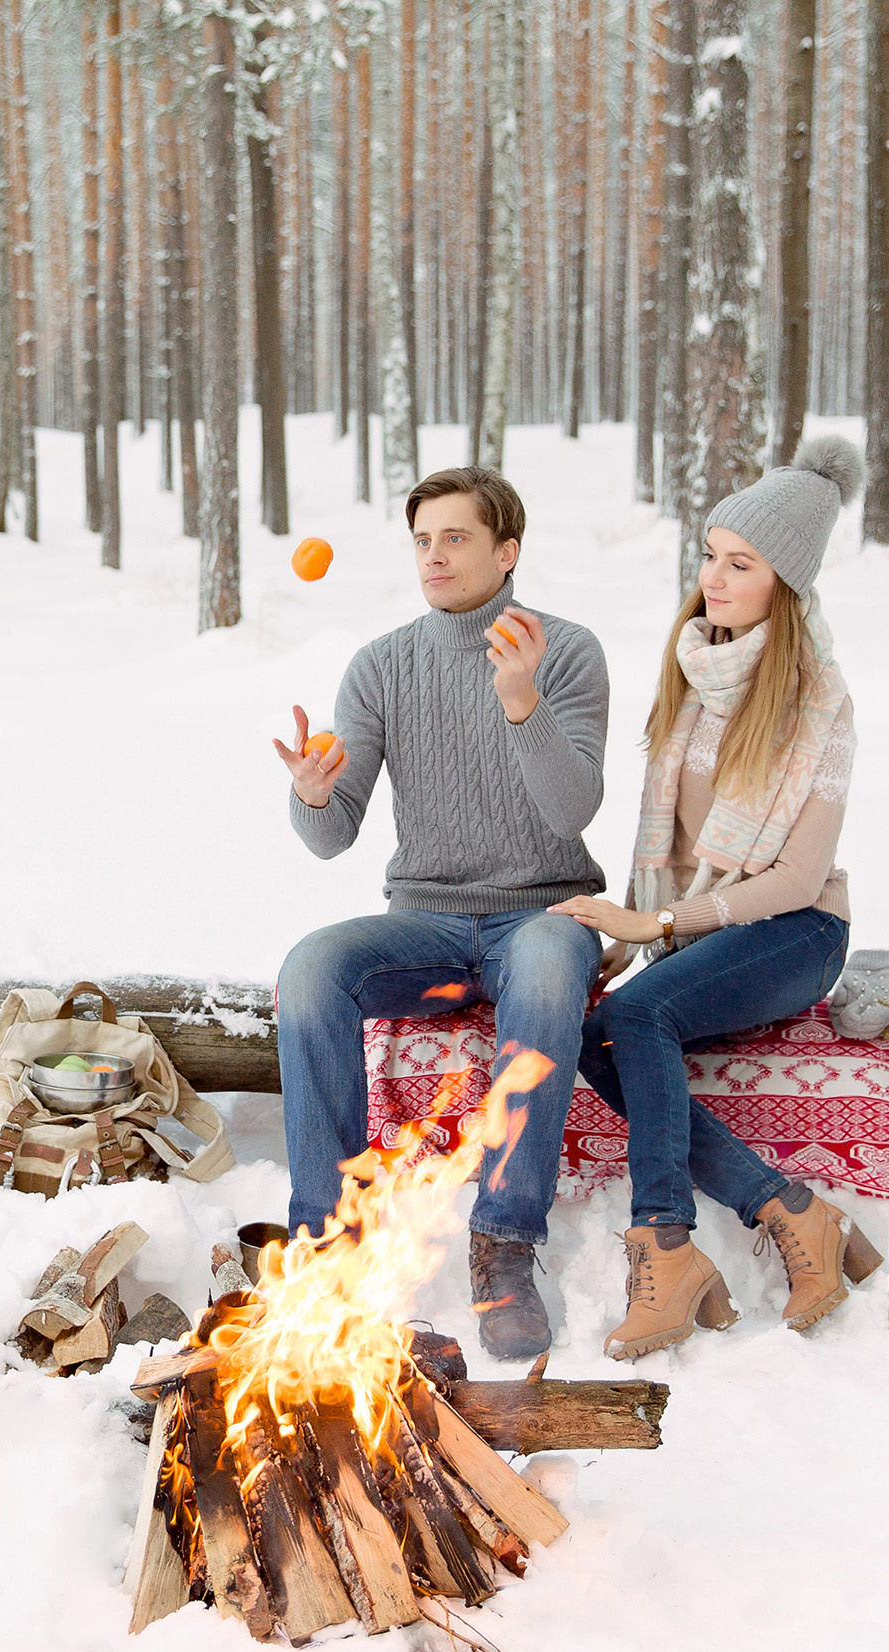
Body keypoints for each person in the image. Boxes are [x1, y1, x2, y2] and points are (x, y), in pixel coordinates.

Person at [556, 435, 885, 1362]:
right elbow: (668, 843)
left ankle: (664, 1245)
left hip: (797, 930)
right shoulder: (694, 673)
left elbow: (788, 877)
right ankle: (791, 1210)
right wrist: (623, 922)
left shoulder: (820, 703)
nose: (715, 578)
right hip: (700, 929)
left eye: (741, 563)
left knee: (642, 1015)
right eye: (710, 554)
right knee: (602, 1032)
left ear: (786, 580)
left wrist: (655, 926)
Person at [272, 467, 609, 1361]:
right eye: (423, 539)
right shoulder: (382, 665)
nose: (435, 555)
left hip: (543, 909)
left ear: (507, 551)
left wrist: (524, 705)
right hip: (426, 921)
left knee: (544, 961)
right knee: (311, 965)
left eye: (456, 538)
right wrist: (312, 793)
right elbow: (332, 836)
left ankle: (505, 1242)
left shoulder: (566, 651)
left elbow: (573, 809)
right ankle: (329, 1239)